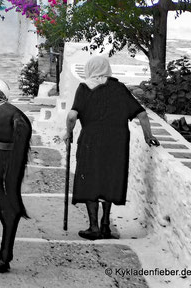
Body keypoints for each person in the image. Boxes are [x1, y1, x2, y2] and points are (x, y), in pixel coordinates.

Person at [63, 56, 159, 240]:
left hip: (91, 140)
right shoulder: (119, 88)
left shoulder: (84, 88)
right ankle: (106, 225)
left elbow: (72, 116)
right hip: (117, 141)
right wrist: (149, 136)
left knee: (90, 178)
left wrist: (69, 132)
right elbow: (142, 114)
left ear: (90, 69)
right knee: (110, 177)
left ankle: (94, 227)